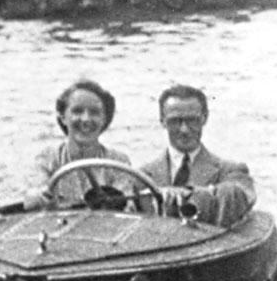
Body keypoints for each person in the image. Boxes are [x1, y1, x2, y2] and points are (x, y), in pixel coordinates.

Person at [140, 84, 256, 227]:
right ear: (162, 121)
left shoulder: (231, 171)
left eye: (192, 120)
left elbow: (241, 196)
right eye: (175, 121)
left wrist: (185, 194)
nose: (184, 130)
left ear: (204, 119)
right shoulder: (143, 176)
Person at [24, 79, 131, 209]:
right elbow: (34, 195)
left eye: (94, 112)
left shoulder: (119, 163)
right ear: (63, 117)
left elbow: (125, 207)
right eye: (77, 111)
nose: (86, 119)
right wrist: (38, 196)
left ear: (104, 119)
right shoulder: (47, 159)